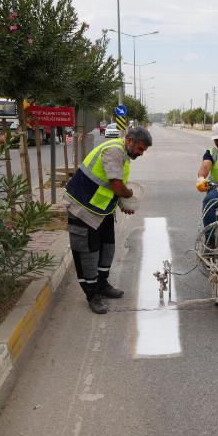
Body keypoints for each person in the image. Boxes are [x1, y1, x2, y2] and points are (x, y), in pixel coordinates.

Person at [63, 127, 152, 314]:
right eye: (140, 149)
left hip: (101, 209)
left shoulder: (124, 156)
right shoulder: (114, 151)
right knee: (88, 253)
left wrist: (121, 204)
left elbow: (111, 186)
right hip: (82, 206)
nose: (141, 153)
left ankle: (102, 284)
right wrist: (129, 195)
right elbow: (118, 187)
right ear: (129, 140)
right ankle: (92, 294)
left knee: (107, 248)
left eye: (143, 150)